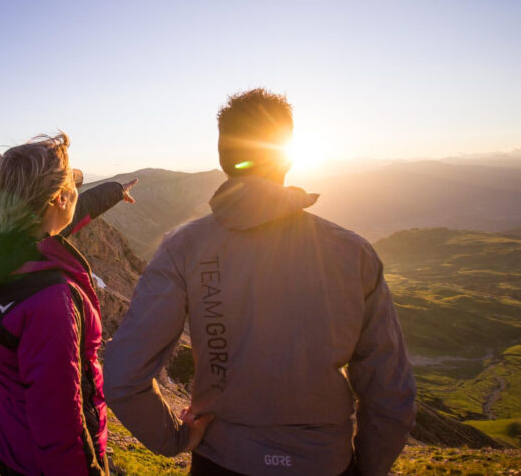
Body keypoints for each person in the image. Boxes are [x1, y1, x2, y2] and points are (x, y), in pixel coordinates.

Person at [103, 89, 417, 476]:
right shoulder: (353, 253)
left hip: (221, 460)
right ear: (288, 155)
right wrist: (367, 467)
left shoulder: (184, 247)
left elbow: (122, 375)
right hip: (326, 462)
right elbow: (391, 393)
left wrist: (175, 439)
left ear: (222, 156)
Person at [0, 133, 136, 476]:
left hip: (13, 439)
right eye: (71, 187)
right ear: (59, 198)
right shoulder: (51, 303)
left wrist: (115, 191)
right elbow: (59, 415)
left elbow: (69, 216)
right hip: (48, 462)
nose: (75, 194)